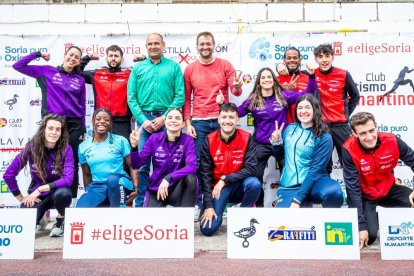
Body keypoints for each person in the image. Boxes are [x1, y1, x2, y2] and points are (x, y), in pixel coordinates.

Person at [13, 46, 86, 199]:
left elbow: (83, 104)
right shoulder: (46, 71)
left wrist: (83, 128)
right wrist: (38, 54)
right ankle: (41, 198)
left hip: (74, 126)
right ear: (65, 54)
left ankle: (68, 202)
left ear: (79, 61)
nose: (73, 58)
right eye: (71, 55)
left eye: (77, 57)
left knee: (72, 163)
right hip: (52, 124)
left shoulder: (79, 80)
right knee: (43, 160)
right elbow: (18, 65)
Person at [236, 66, 316, 207]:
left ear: (273, 80)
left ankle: (292, 205)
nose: (266, 79)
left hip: (282, 143)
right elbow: (235, 113)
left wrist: (311, 77)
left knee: (291, 176)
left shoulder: (283, 95)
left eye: (269, 77)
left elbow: (308, 95)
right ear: (259, 82)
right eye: (263, 77)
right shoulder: (253, 99)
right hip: (261, 144)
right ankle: (258, 208)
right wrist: (220, 104)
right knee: (255, 179)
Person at [183, 31, 243, 215]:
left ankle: (226, 201)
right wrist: (188, 123)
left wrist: (238, 86)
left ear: (214, 44)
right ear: (197, 46)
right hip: (199, 122)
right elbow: (186, 99)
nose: (205, 47)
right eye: (202, 44)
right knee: (202, 164)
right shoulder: (190, 69)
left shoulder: (225, 65)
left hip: (222, 121)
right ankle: (203, 203)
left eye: (208, 43)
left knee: (226, 162)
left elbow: (236, 91)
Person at [277, 44, 360, 168]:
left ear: (333, 57)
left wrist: (345, 113)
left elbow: (355, 96)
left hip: (340, 126)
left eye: (327, 56)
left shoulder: (343, 74)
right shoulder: (310, 74)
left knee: (350, 162)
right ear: (316, 59)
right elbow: (292, 69)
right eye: (320, 57)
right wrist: (279, 65)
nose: (324, 60)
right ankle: (325, 187)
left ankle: (353, 188)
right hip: (321, 126)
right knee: (323, 165)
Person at [128, 33, 185, 207]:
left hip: (169, 122)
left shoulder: (174, 67)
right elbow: (131, 97)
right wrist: (143, 120)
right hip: (145, 121)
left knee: (173, 163)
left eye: (157, 43)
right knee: (143, 165)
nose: (153, 46)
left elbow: (179, 96)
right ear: (146, 46)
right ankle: (142, 203)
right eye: (150, 44)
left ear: (163, 45)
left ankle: (174, 202)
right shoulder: (138, 69)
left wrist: (164, 117)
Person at [342, 112, 414, 249]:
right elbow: (353, 189)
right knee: (370, 236)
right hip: (366, 196)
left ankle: (385, 219)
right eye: (362, 133)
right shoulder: (348, 149)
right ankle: (372, 220)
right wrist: (361, 225)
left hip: (389, 189)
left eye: (371, 130)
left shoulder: (392, 140)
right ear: (354, 133)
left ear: (376, 126)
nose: (369, 137)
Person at [3, 114, 73, 237]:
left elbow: (68, 179)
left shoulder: (66, 149)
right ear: (44, 130)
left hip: (57, 192)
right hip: (38, 196)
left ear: (61, 132)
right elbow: (8, 175)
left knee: (64, 194)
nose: (54, 132)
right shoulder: (32, 147)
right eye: (50, 128)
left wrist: (41, 189)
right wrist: (21, 198)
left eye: (58, 129)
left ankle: (60, 220)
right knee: (25, 227)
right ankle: (40, 218)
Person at [271, 94, 344, 208]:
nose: (303, 111)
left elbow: (316, 170)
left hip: (315, 183)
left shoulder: (324, 137)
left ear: (315, 110)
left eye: (307, 107)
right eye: (300, 108)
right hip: (289, 186)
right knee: (286, 224)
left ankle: (327, 223)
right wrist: (277, 143)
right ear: (296, 111)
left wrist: (298, 199)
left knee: (334, 192)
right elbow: (280, 156)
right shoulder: (289, 129)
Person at [199, 103, 261, 236]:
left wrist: (226, 179)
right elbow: (205, 175)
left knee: (254, 184)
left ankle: (243, 216)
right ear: (218, 119)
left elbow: (251, 168)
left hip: (240, 185)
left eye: (231, 117)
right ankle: (218, 211)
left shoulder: (246, 137)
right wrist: (209, 205)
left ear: (237, 119)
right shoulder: (209, 140)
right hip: (218, 190)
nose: (227, 121)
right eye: (224, 117)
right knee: (207, 229)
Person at [129, 108, 197, 207]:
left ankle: (186, 218)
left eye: (177, 118)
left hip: (176, 189)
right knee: (150, 222)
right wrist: (134, 147)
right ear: (165, 122)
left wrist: (169, 178)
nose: (173, 120)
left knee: (191, 179)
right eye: (170, 118)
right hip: (156, 189)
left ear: (183, 124)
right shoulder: (154, 138)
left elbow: (192, 167)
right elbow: (136, 165)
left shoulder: (188, 140)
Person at [76, 108, 139, 207]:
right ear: (93, 121)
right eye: (98, 119)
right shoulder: (83, 146)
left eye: (106, 119)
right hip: (98, 186)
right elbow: (86, 174)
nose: (102, 121)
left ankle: (117, 211)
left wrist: (136, 188)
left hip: (120, 182)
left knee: (112, 179)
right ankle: (105, 203)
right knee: (81, 207)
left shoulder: (120, 141)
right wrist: (89, 193)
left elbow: (133, 165)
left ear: (111, 123)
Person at [276, 47, 311, 123]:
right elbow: (273, 103)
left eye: (295, 58)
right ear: (284, 61)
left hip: (304, 124)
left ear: (299, 60)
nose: (292, 60)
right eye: (289, 58)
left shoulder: (308, 79)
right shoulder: (276, 80)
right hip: (283, 125)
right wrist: (288, 91)